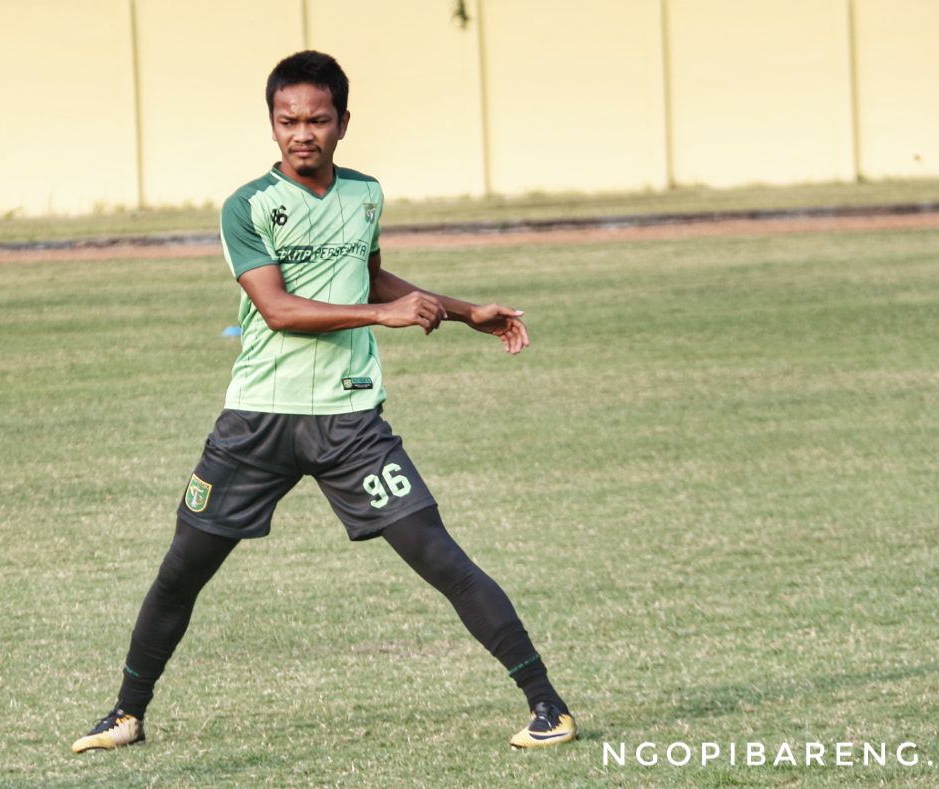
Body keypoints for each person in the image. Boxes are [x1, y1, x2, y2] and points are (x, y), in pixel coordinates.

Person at [72, 50, 575, 753]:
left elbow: (367, 278)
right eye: (287, 121)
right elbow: (276, 309)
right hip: (257, 422)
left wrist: (465, 312)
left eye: (317, 119)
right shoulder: (247, 206)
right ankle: (126, 713)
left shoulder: (366, 194)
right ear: (272, 125)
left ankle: (549, 705)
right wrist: (384, 318)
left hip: (349, 423)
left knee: (438, 553)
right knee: (182, 569)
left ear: (342, 122)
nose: (301, 133)